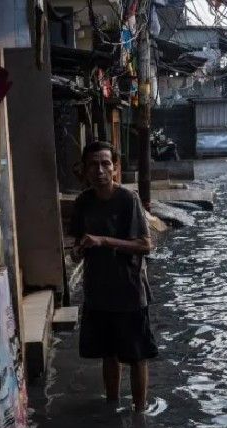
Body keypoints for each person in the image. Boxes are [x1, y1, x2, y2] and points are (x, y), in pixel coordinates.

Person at [69, 140, 157, 412]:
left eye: (106, 163)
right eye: (93, 164)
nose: (100, 170)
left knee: (136, 355)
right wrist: (77, 252)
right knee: (108, 353)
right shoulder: (83, 202)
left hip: (129, 291)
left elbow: (146, 244)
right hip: (97, 291)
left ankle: (140, 412)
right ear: (84, 170)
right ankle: (112, 406)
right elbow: (77, 243)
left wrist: (104, 241)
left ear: (116, 169)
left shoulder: (127, 199)